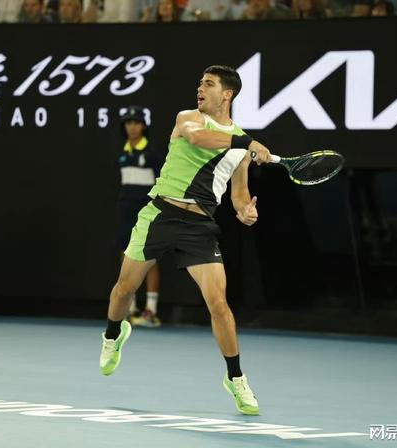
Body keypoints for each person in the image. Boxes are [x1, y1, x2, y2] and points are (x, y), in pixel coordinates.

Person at [99, 65, 272, 416]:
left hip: (199, 227)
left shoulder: (241, 149)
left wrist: (245, 211)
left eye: (209, 84)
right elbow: (198, 139)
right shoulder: (189, 119)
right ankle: (113, 335)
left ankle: (236, 378)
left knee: (218, 303)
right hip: (160, 215)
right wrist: (246, 142)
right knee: (123, 289)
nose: (200, 88)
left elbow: (239, 195)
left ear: (227, 94)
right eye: (200, 83)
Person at [115, 106, 164, 328]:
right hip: (126, 211)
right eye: (128, 122)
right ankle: (130, 307)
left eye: (136, 122)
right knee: (126, 254)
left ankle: (150, 311)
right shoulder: (122, 154)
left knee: (149, 257)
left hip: (147, 211)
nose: (132, 126)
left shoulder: (153, 154)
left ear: (143, 126)